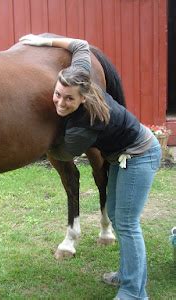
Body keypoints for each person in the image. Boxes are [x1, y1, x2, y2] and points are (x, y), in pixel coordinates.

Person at [20, 33, 161, 300]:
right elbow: (80, 45)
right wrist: (42, 40)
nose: (61, 103)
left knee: (128, 224)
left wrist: (35, 143)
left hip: (140, 154)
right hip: (124, 154)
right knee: (119, 219)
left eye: (69, 100)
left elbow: (63, 153)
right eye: (58, 94)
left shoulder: (84, 125)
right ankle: (128, 275)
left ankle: (134, 292)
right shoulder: (80, 74)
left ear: (83, 98)